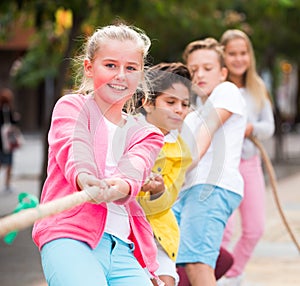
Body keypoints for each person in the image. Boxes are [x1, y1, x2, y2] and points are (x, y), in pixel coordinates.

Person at [32, 24, 165, 286]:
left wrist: (123, 184)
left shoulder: (147, 133)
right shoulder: (71, 107)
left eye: (130, 68)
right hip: (69, 236)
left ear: (140, 73)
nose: (121, 76)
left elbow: (136, 166)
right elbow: (73, 144)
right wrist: (85, 177)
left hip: (123, 248)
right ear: (89, 68)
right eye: (110, 65)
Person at [172, 37, 247, 286]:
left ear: (223, 72)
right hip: (188, 191)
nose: (200, 74)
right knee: (179, 261)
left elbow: (206, 135)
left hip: (211, 187)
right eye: (193, 70)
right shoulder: (192, 110)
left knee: (197, 263)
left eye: (208, 68)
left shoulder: (226, 91)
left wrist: (173, 173)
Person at [218, 29, 275, 286]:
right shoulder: (218, 88)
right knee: (223, 229)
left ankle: (234, 273)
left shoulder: (257, 88)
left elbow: (269, 127)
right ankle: (212, 274)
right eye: (232, 54)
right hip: (222, 166)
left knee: (255, 228)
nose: (238, 59)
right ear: (223, 55)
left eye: (243, 53)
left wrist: (250, 128)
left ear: (249, 56)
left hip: (250, 164)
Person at [136, 62, 193, 286]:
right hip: (124, 233)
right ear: (148, 103)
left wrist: (159, 190)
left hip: (158, 235)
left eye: (185, 104)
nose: (179, 109)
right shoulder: (127, 132)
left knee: (165, 282)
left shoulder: (181, 152)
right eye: (170, 102)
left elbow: (168, 200)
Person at [0, 87, 20, 192]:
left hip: (2, 141)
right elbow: (13, 122)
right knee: (9, 163)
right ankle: (7, 183)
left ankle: (7, 183)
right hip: (6, 141)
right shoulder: (7, 109)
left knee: (3, 162)